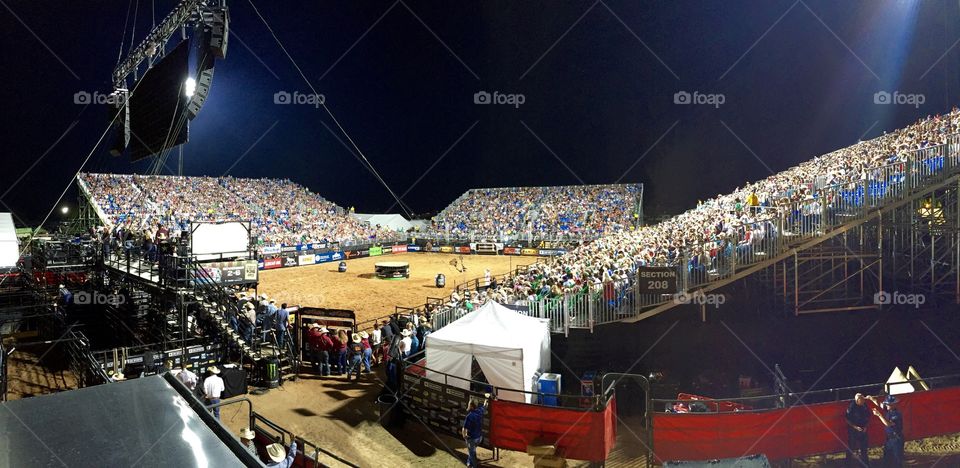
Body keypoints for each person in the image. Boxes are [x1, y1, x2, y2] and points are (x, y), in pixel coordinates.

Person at [871, 395, 904, 467]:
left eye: (889, 404)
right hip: (889, 439)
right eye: (887, 404)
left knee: (897, 461)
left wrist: (879, 415)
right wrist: (871, 398)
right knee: (887, 458)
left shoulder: (896, 414)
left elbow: (888, 424)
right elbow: (879, 404)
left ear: (894, 404)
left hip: (896, 439)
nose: (887, 405)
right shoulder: (889, 409)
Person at [461, 393, 490, 468]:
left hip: (472, 439)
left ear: (471, 406)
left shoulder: (469, 416)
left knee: (472, 454)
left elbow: (464, 428)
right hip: (479, 438)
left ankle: (473, 466)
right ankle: (469, 463)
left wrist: (464, 436)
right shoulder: (480, 410)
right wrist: (486, 399)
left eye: (469, 404)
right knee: (471, 451)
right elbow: (485, 406)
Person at [845, 393, 871, 466]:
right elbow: (847, 419)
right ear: (857, 400)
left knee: (864, 448)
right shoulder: (852, 406)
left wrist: (866, 426)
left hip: (863, 429)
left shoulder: (864, 406)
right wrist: (855, 427)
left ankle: (865, 464)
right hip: (853, 430)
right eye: (861, 399)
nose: (863, 401)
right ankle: (848, 464)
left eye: (863, 399)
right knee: (851, 447)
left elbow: (868, 416)